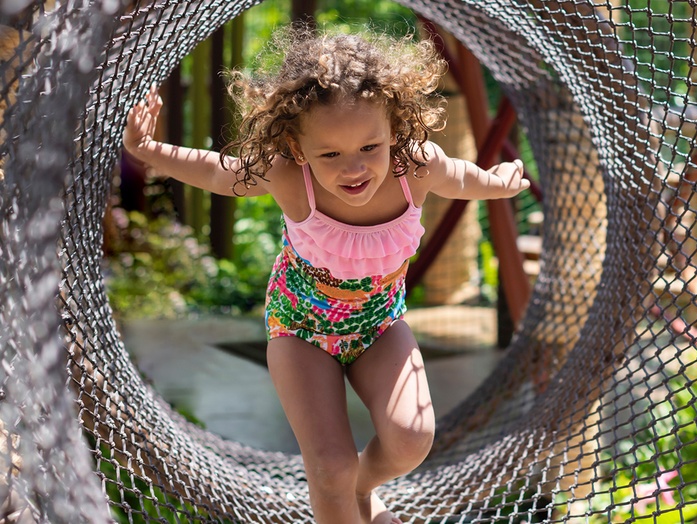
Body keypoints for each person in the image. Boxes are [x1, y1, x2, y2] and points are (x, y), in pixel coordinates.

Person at [123, 25, 529, 524]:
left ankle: (358, 488)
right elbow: (216, 172)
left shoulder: (414, 167)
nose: (353, 169)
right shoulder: (289, 177)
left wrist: (497, 182)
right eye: (330, 154)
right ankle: (340, 491)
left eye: (369, 148)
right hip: (300, 332)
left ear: (395, 132)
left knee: (411, 439)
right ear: (297, 149)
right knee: (328, 465)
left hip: (379, 326)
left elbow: (462, 177)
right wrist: (149, 151)